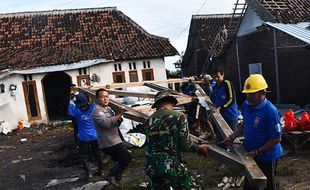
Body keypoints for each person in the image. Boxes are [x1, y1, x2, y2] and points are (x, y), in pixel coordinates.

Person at [223, 74, 283, 190]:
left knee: (267, 185)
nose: (248, 96)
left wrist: (257, 151)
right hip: (251, 153)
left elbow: (276, 139)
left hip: (267, 156)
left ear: (262, 93)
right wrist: (232, 136)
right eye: (247, 93)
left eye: (252, 93)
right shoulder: (246, 105)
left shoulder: (271, 112)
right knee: (250, 184)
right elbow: (245, 123)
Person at [145, 90, 209, 190]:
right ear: (172, 102)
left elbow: (149, 145)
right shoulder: (179, 116)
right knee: (194, 187)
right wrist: (199, 148)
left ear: (156, 105)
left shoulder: (148, 121)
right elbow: (185, 145)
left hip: (152, 167)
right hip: (171, 166)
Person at [92, 88, 132, 187]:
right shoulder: (97, 111)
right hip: (108, 142)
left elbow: (115, 123)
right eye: (102, 97)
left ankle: (117, 178)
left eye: (107, 96)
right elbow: (106, 123)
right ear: (96, 99)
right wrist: (119, 114)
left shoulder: (108, 109)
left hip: (115, 139)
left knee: (121, 159)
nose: (105, 99)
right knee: (126, 157)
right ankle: (111, 175)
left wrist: (119, 116)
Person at [67, 93, 104, 180]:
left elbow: (69, 113)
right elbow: (96, 100)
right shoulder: (94, 108)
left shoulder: (76, 111)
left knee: (83, 155)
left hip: (83, 138)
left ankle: (89, 173)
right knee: (98, 153)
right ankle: (101, 171)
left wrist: (70, 101)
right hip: (95, 136)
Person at [211, 67, 238, 131]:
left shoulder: (227, 84)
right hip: (220, 117)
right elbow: (214, 99)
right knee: (220, 138)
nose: (216, 79)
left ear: (222, 74)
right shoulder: (215, 87)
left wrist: (220, 108)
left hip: (230, 116)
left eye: (217, 76)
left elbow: (231, 99)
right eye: (214, 77)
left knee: (231, 137)